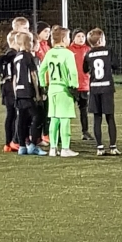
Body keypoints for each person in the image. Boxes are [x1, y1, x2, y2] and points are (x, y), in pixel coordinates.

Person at [38, 25, 79, 157]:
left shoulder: (50, 53)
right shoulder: (68, 54)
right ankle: (65, 148)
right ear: (63, 39)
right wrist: (74, 86)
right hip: (64, 89)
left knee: (54, 119)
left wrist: (43, 85)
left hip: (52, 89)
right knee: (65, 119)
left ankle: (53, 148)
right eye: (68, 37)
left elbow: (41, 71)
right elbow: (73, 72)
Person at [83, 28, 119, 156]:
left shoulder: (88, 53)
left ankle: (99, 147)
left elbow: (84, 69)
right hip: (107, 88)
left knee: (97, 118)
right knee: (110, 117)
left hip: (94, 88)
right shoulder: (108, 51)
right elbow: (116, 65)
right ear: (100, 40)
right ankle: (113, 147)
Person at [12, 32, 46, 156]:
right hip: (28, 91)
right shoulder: (28, 56)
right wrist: (37, 92)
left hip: (19, 92)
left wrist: (16, 93)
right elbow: (33, 75)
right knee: (38, 116)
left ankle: (22, 146)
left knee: (22, 119)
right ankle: (32, 145)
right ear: (27, 43)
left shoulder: (16, 57)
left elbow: (14, 78)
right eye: (31, 41)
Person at [0, 31, 20, 152]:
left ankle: (8, 143)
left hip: (5, 86)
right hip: (11, 86)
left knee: (11, 114)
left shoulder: (6, 55)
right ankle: (12, 141)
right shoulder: (14, 55)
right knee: (13, 114)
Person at [69, 28, 93, 140]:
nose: (81, 38)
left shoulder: (88, 50)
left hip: (84, 85)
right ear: (73, 38)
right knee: (67, 110)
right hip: (71, 85)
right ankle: (63, 133)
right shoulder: (68, 50)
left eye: (83, 36)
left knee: (84, 110)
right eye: (78, 36)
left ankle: (85, 132)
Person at [35, 22, 51, 145]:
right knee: (40, 111)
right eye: (45, 31)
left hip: (48, 81)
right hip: (40, 82)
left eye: (49, 32)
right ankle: (38, 136)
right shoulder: (36, 47)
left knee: (47, 110)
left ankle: (45, 134)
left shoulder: (47, 46)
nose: (48, 34)